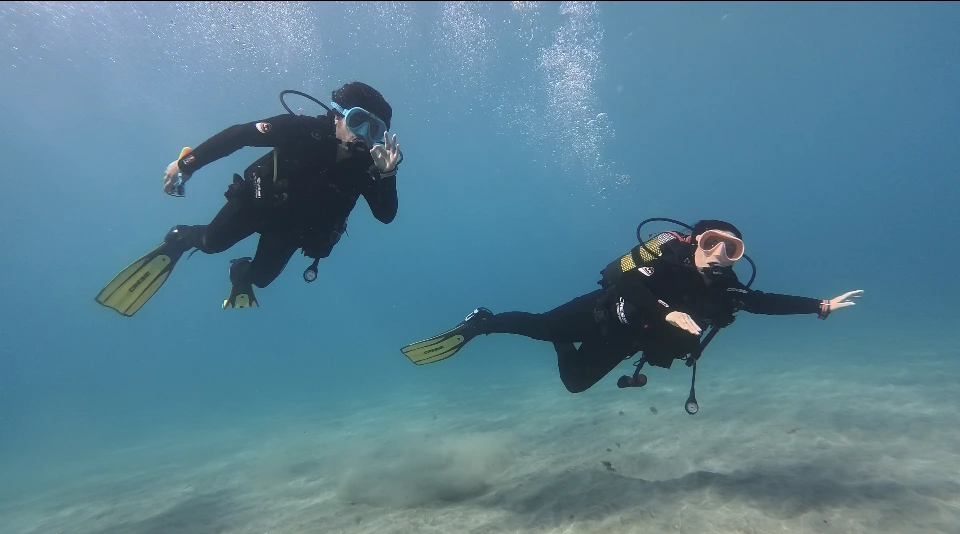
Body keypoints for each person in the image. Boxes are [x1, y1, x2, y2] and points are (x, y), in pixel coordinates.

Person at [400, 219, 863, 410]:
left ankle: (561, 346)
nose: (720, 254)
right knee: (540, 325)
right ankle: (482, 322)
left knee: (576, 384)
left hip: (626, 342)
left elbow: (765, 301)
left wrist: (819, 306)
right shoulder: (665, 261)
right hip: (603, 313)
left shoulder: (728, 291)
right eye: (710, 243)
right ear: (693, 243)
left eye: (733, 248)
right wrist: (666, 312)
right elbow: (624, 281)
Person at [95, 82, 401, 316]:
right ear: (337, 114)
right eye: (358, 120)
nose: (364, 134)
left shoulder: (368, 167)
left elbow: (385, 215)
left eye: (375, 129)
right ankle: (180, 238)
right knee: (211, 244)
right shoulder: (302, 130)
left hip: (293, 230)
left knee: (262, 279)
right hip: (258, 204)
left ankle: (239, 272)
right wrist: (186, 165)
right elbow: (240, 135)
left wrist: (388, 176)